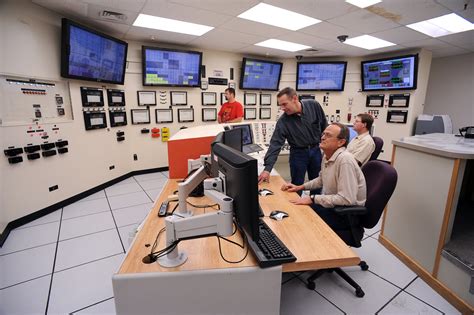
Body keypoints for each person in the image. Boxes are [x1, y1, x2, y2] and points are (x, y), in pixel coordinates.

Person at [281, 123, 366, 231]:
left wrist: (313, 198)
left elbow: (347, 199)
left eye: (328, 135)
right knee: (296, 210)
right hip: (334, 206)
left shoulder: (345, 161)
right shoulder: (327, 155)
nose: (322, 137)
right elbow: (321, 180)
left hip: (345, 215)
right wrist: (299, 187)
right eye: (323, 134)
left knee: (300, 218)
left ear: (341, 142)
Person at [258, 87, 327, 194]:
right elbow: (275, 144)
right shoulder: (283, 121)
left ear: (294, 99)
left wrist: (328, 151)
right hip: (298, 154)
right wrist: (267, 169)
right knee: (296, 185)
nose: (282, 108)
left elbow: (324, 127)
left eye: (284, 104)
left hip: (316, 150)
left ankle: (316, 207)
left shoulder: (314, 105)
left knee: (317, 182)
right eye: (280, 105)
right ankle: (297, 208)